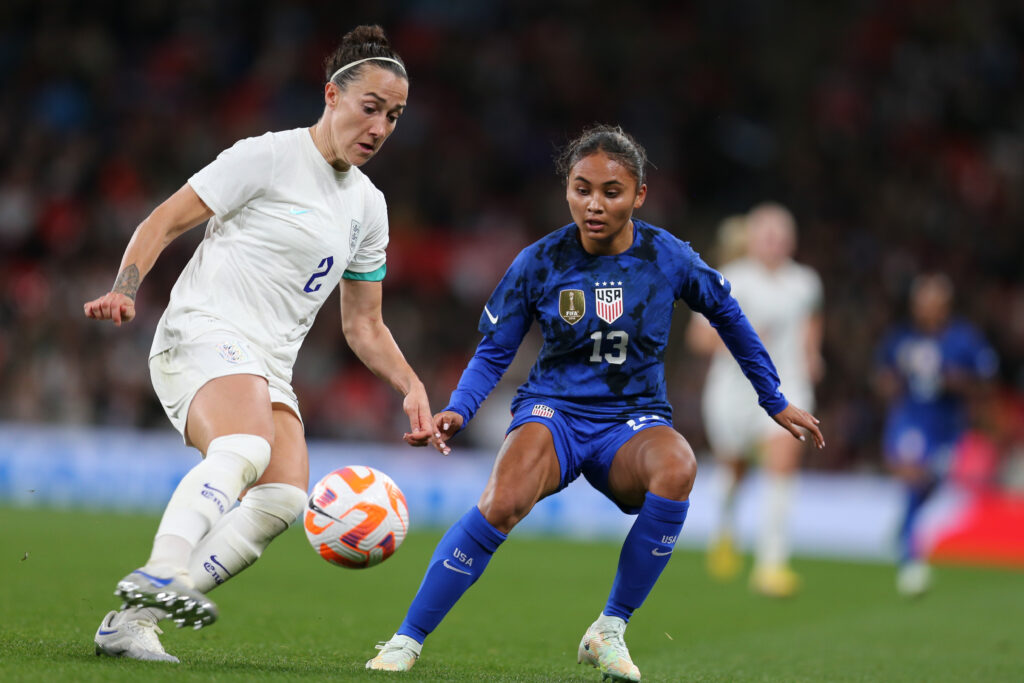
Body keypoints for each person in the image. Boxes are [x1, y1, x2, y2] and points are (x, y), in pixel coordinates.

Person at [365, 125, 824, 680]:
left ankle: (609, 628)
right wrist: (459, 409)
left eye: (612, 191)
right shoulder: (539, 262)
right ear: (567, 191)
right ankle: (406, 639)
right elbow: (494, 351)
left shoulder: (667, 256)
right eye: (582, 189)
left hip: (633, 420)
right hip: (553, 411)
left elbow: (730, 316)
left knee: (679, 466)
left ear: (639, 196)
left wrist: (772, 398)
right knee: (503, 500)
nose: (595, 204)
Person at [84, 25, 445, 663]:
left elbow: (363, 324)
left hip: (266, 366)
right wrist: (125, 288)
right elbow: (162, 220)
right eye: (370, 108)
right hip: (200, 332)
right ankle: (161, 570)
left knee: (282, 498)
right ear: (332, 95)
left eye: (394, 116)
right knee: (245, 445)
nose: (381, 127)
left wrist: (411, 386)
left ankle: (133, 619)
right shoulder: (267, 156)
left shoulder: (369, 207)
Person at [687, 203, 824, 597]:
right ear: (752, 239)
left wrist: (813, 354)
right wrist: (742, 340)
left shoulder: (805, 282)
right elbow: (698, 339)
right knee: (735, 469)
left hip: (787, 388)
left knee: (783, 462)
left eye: (782, 236)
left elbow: (812, 319)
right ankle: (725, 529)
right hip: (734, 393)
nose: (775, 243)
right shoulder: (731, 280)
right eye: (767, 235)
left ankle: (772, 565)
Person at [874, 273, 997, 596]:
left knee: (931, 482)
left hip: (948, 426)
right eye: (920, 304)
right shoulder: (901, 338)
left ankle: (905, 526)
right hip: (911, 419)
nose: (925, 311)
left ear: (945, 306)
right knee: (914, 476)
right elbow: (882, 377)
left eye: (933, 304)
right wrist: (893, 381)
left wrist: (950, 379)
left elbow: (985, 382)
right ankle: (911, 559)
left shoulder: (963, 339)